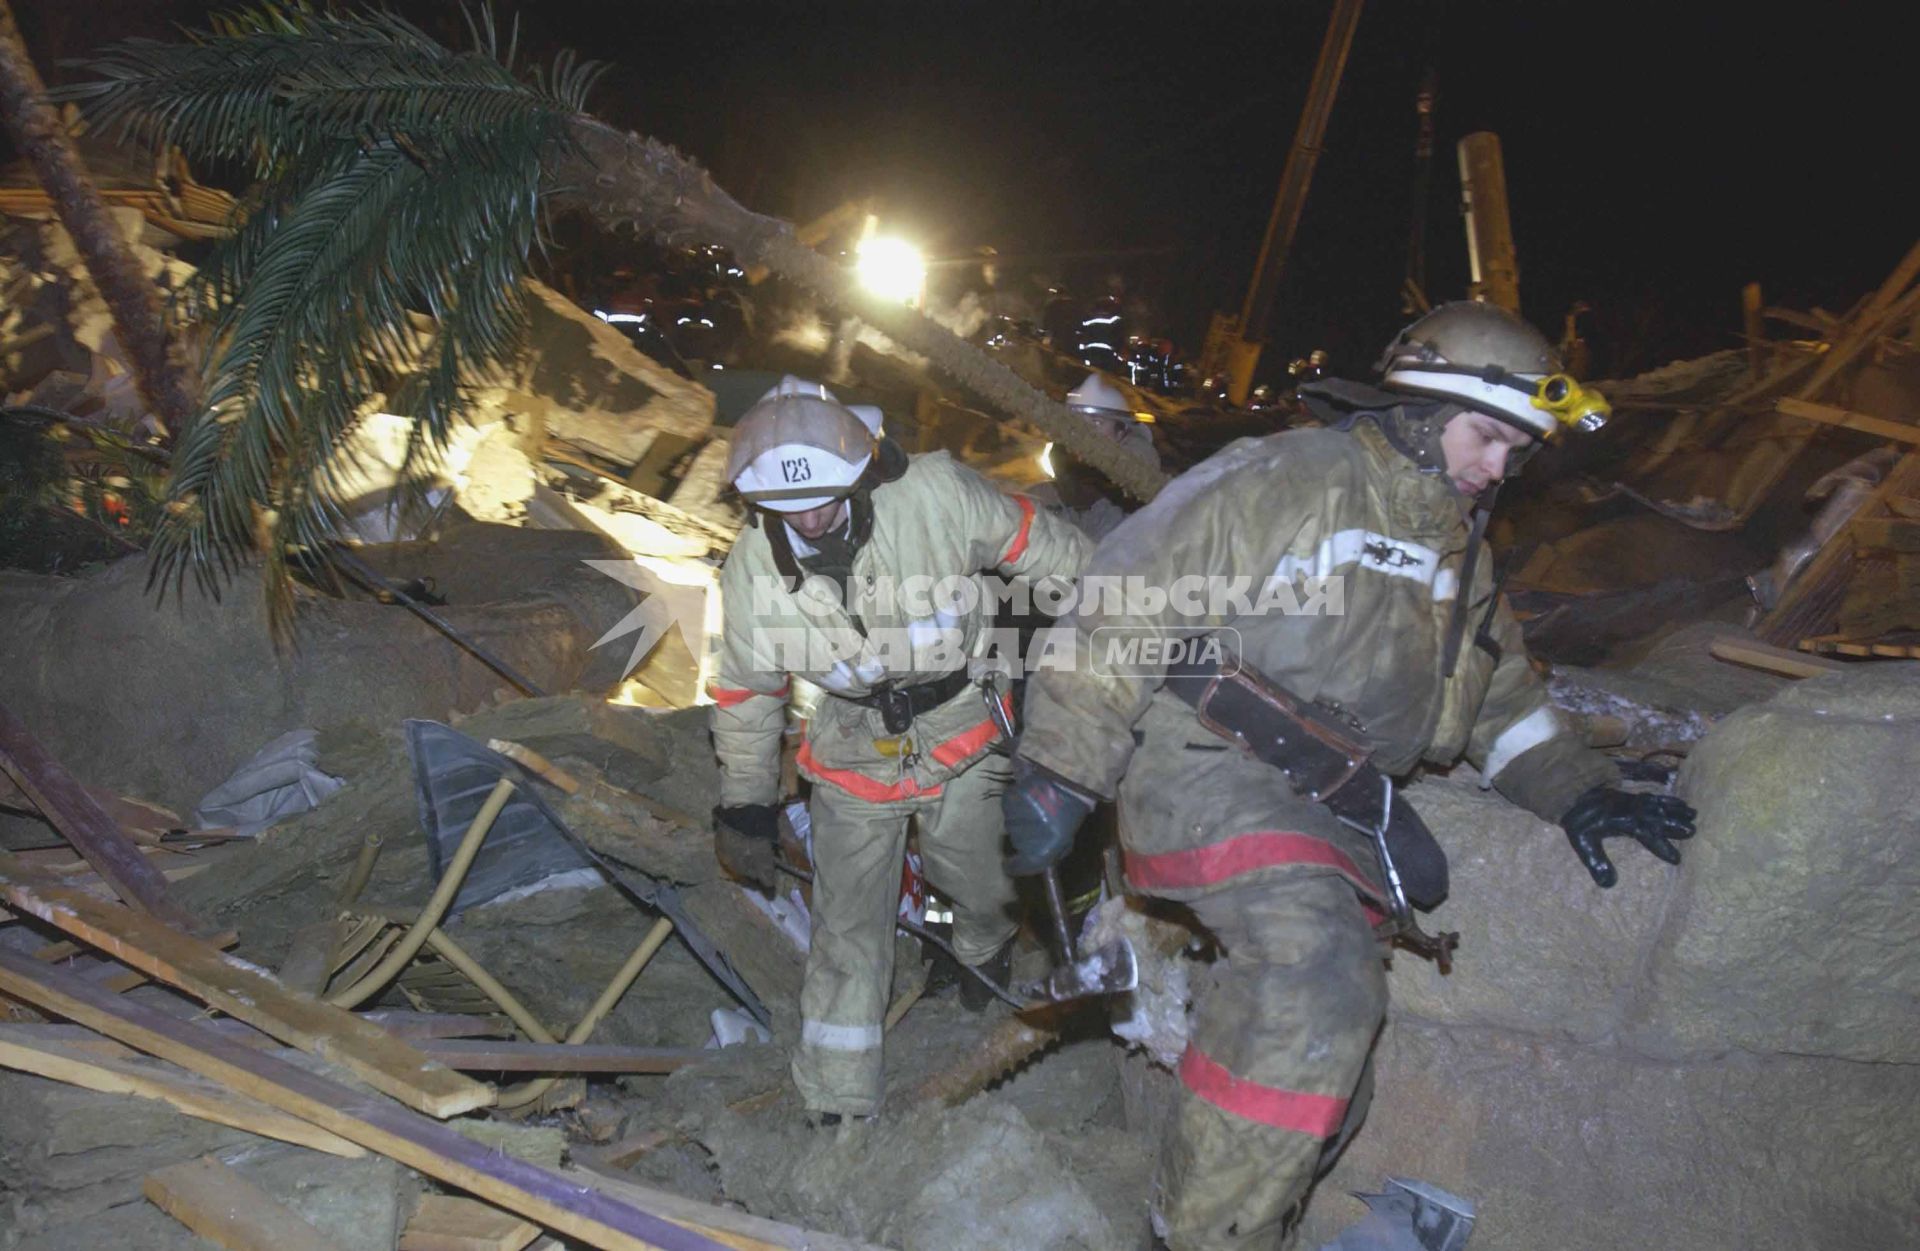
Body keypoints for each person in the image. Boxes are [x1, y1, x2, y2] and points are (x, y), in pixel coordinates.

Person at [999, 303, 1696, 1248]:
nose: (1498, 468)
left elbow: (1499, 703)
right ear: (1421, 407)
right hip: (1211, 765)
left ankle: (1246, 1214)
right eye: (1487, 436)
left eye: (1516, 452)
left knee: (1333, 1064)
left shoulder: (1463, 554)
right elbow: (1129, 596)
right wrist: (1061, 765)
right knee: (1317, 980)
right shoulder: (1290, 477)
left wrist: (1576, 784)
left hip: (1340, 806)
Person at [707, 376, 1091, 1124]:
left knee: (977, 884)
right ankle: (837, 1102)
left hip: (962, 725)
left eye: (825, 496)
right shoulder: (753, 571)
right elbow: (749, 694)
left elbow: (1050, 549)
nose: (811, 518)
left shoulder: (936, 496)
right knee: (848, 930)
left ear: (861, 469)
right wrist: (747, 803)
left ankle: (976, 956)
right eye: (788, 509)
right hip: (853, 747)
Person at [1031, 372, 1162, 542]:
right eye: (1076, 421)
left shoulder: (1137, 460)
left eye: (1097, 422)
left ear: (1121, 430)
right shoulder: (1064, 460)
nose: (1084, 430)